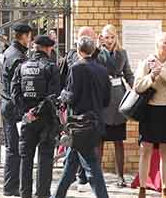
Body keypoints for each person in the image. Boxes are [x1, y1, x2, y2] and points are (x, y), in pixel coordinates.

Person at [53, 36, 111, 198]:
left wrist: (62, 95)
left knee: (92, 167)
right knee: (70, 165)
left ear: (78, 50)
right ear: (93, 51)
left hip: (80, 123)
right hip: (96, 121)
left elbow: (71, 96)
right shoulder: (102, 70)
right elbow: (106, 100)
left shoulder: (76, 68)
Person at [12, 34, 61, 198]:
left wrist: (26, 113)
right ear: (48, 48)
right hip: (46, 119)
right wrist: (37, 111)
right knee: (45, 158)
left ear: (35, 48)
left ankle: (25, 193)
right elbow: (52, 96)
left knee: (25, 158)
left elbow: (15, 93)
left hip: (27, 119)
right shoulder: (51, 67)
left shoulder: (22, 66)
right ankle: (42, 194)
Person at [134, 32, 166, 198]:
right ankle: (143, 188)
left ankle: (165, 189)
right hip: (150, 110)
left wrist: (160, 70)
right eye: (165, 43)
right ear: (157, 44)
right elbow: (138, 86)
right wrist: (152, 75)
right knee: (145, 150)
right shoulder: (146, 62)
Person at [58, 25, 103, 189]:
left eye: (88, 37)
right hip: (76, 112)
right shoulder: (72, 58)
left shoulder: (99, 59)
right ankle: (78, 178)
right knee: (79, 151)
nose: (85, 39)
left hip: (90, 114)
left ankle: (77, 178)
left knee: (78, 152)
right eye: (82, 36)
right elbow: (72, 81)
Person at [97, 24, 134, 188]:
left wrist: (136, 90)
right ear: (102, 38)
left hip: (118, 99)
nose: (110, 40)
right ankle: (98, 177)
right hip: (103, 99)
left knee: (119, 140)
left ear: (115, 38)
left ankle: (120, 176)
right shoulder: (97, 53)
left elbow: (128, 74)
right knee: (100, 141)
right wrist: (98, 49)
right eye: (106, 37)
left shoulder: (122, 53)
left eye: (112, 37)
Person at [1, 23, 34, 196]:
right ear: (24, 36)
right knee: (15, 148)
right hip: (14, 107)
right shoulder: (17, 57)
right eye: (29, 36)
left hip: (8, 105)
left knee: (13, 147)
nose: (30, 40)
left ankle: (12, 185)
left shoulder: (10, 52)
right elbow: (18, 85)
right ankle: (11, 187)